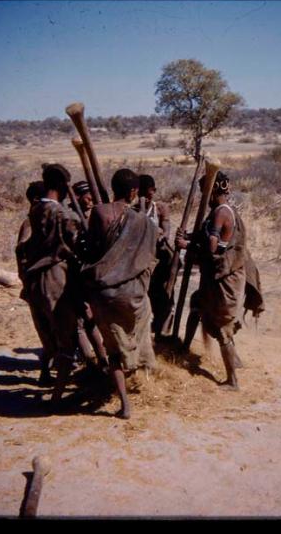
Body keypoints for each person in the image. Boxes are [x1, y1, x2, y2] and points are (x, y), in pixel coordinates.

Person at [175, 170, 264, 390]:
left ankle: (232, 380)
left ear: (214, 190)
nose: (203, 196)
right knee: (198, 304)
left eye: (204, 191)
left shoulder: (221, 213)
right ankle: (192, 350)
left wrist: (188, 247)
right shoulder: (218, 211)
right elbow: (208, 238)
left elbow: (213, 249)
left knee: (223, 327)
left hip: (226, 279)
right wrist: (189, 237)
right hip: (218, 279)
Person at [81, 169, 159, 419]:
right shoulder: (144, 222)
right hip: (134, 293)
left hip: (106, 293)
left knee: (113, 350)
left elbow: (92, 250)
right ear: (135, 192)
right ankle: (143, 372)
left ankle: (125, 404)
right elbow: (148, 258)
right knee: (142, 326)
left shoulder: (100, 212)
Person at [19, 163, 82, 405]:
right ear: (62, 186)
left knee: (50, 335)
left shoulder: (36, 210)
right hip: (55, 279)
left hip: (35, 281)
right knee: (67, 340)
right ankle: (57, 399)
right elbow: (76, 241)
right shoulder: (62, 214)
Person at [69, 180, 109, 372]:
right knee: (83, 318)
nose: (91, 199)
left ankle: (102, 358)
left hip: (97, 273)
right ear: (78, 197)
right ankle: (94, 361)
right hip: (78, 274)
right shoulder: (71, 216)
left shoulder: (97, 213)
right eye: (87, 196)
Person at [135, 174, 173, 340]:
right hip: (142, 259)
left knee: (162, 294)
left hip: (159, 257)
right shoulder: (135, 209)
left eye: (149, 191)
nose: (147, 195)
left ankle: (161, 332)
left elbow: (166, 230)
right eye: (142, 192)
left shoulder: (160, 208)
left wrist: (159, 235)